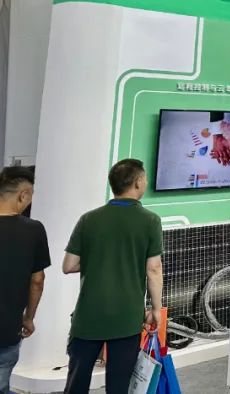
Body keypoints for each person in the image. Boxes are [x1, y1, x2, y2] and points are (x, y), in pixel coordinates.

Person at [62, 159, 163, 394]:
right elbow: (154, 269)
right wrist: (156, 309)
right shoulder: (150, 220)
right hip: (126, 317)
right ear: (138, 182)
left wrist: (98, 260)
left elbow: (68, 265)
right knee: (119, 385)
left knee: (76, 382)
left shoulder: (89, 219)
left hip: (88, 316)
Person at [0, 167, 50, 394]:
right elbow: (37, 280)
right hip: (7, 328)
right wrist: (29, 318)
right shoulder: (33, 230)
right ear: (23, 195)